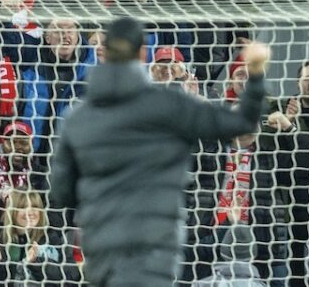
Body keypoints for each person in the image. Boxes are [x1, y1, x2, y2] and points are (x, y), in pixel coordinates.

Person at [48, 18, 271, 286]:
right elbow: (244, 123)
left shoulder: (79, 117)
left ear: (104, 53)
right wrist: (256, 73)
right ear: (143, 53)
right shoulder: (170, 106)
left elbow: (61, 193)